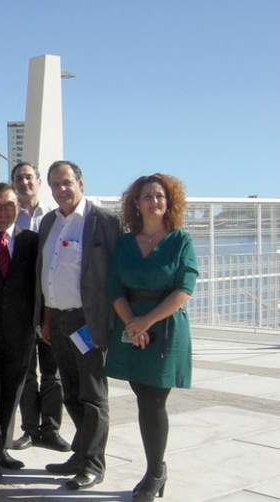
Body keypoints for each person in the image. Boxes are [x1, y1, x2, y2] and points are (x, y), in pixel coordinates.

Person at [105, 174, 197, 502]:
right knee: (142, 394)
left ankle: (154, 471)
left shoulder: (180, 240)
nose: (154, 201)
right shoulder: (126, 243)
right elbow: (114, 286)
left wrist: (145, 322)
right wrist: (132, 322)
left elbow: (184, 288)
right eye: (147, 196)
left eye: (159, 196)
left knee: (154, 399)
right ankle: (157, 468)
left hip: (165, 326)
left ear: (168, 202)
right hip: (132, 325)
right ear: (136, 203)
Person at [37, 160, 120, 490]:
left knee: (93, 395)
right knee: (70, 392)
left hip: (88, 322)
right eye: (54, 184)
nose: (60, 190)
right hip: (56, 321)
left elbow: (115, 276)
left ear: (80, 184)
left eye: (66, 183)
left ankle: (94, 464)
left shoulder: (104, 222)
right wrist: (45, 320)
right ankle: (81, 452)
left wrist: (108, 325)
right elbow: (45, 275)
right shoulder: (49, 222)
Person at [0, 183, 38, 481]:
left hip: (20, 332)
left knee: (11, 394)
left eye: (9, 205)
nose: (3, 211)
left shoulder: (31, 241)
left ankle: (0, 449)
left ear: (19, 208)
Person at [10, 161, 70, 452]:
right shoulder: (10, 218)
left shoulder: (55, 217)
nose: (24, 182)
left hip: (51, 305)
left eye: (29, 177)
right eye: (19, 178)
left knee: (52, 372)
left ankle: (51, 428)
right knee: (25, 372)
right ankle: (29, 428)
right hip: (22, 308)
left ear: (38, 181)